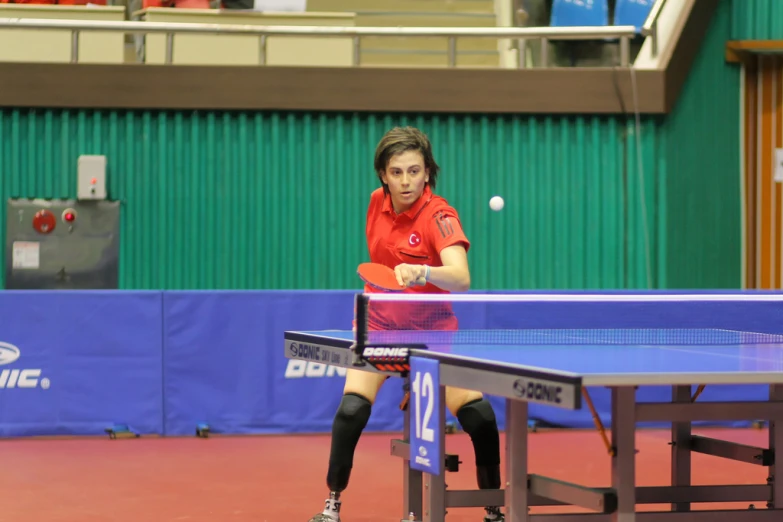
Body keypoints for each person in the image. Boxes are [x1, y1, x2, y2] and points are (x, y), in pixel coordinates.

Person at [309, 126, 504, 522]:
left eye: (414, 171)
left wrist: (423, 272)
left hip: (432, 335)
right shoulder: (375, 202)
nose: (406, 181)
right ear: (383, 174)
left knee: (480, 418)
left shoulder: (441, 216)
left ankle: (494, 507)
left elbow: (461, 277)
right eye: (396, 172)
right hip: (379, 327)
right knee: (350, 412)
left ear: (428, 173)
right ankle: (332, 503)